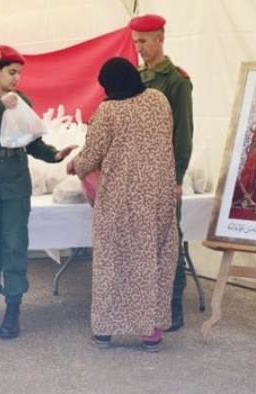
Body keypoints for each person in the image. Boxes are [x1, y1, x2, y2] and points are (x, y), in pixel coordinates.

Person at [0, 45, 76, 340]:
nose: (17, 79)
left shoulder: (22, 100)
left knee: (14, 246)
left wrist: (53, 155)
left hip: (14, 181)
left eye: (20, 73)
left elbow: (32, 141)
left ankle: (12, 313)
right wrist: (1, 104)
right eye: (12, 72)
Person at [68, 57, 178, 352]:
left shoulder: (108, 111)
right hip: (159, 194)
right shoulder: (158, 100)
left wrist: (74, 165)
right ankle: (151, 332)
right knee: (152, 260)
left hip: (122, 197)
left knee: (113, 260)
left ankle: (105, 330)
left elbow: (91, 156)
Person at [131, 13, 193, 332]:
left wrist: (178, 177)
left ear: (160, 39)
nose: (139, 47)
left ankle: (174, 307)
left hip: (165, 174)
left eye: (143, 41)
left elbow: (183, 133)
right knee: (145, 240)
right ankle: (148, 304)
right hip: (140, 173)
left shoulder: (176, 81)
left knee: (169, 241)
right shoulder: (137, 77)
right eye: (136, 42)